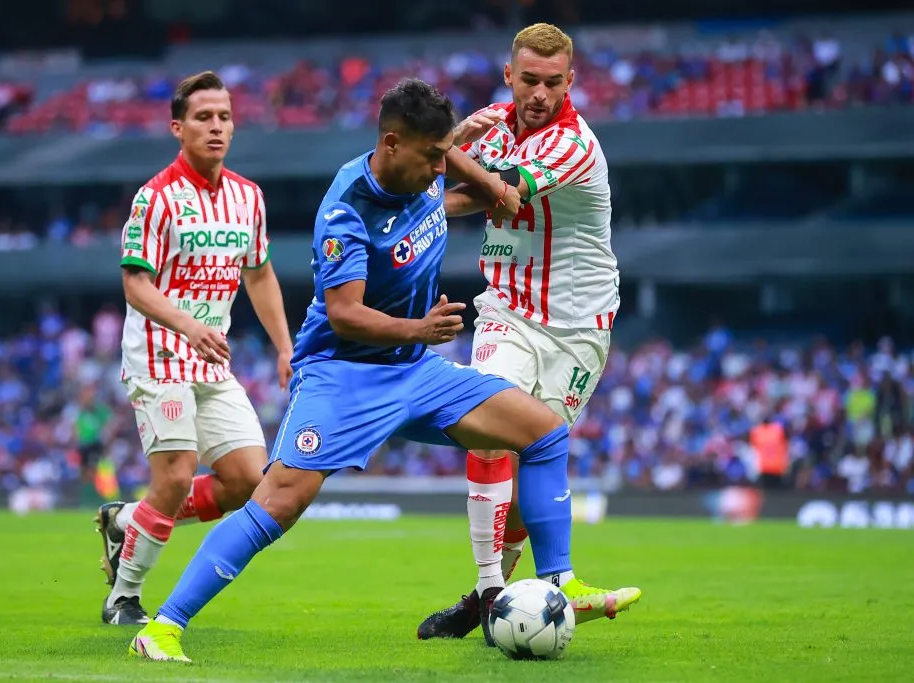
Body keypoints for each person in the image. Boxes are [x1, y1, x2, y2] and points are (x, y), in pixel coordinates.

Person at [127, 78, 628, 662]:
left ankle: (559, 580)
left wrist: (489, 181)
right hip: (345, 375)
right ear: (392, 144)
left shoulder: (421, 168)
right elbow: (344, 315)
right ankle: (162, 627)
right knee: (279, 502)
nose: (444, 167)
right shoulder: (348, 209)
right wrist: (421, 329)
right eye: (434, 156)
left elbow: (450, 163)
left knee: (543, 432)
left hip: (416, 369)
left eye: (447, 155)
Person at [417, 23, 641, 645]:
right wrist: (435, 182)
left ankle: (482, 604)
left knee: (527, 481)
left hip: (577, 327)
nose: (539, 93)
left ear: (570, 82)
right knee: (491, 431)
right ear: (510, 76)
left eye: (552, 82)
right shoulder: (492, 121)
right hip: (507, 310)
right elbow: (466, 191)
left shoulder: (572, 143)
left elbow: (506, 197)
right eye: (528, 80)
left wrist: (438, 145)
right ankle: (496, 592)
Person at [97, 70, 293, 626]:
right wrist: (187, 325)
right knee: (178, 475)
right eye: (204, 118)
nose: (216, 127)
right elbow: (135, 283)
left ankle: (127, 520)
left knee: (248, 480)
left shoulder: (248, 197)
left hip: (211, 357)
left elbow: (259, 275)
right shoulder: (155, 198)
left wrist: (284, 346)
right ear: (177, 128)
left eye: (224, 117)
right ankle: (124, 598)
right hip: (160, 352)